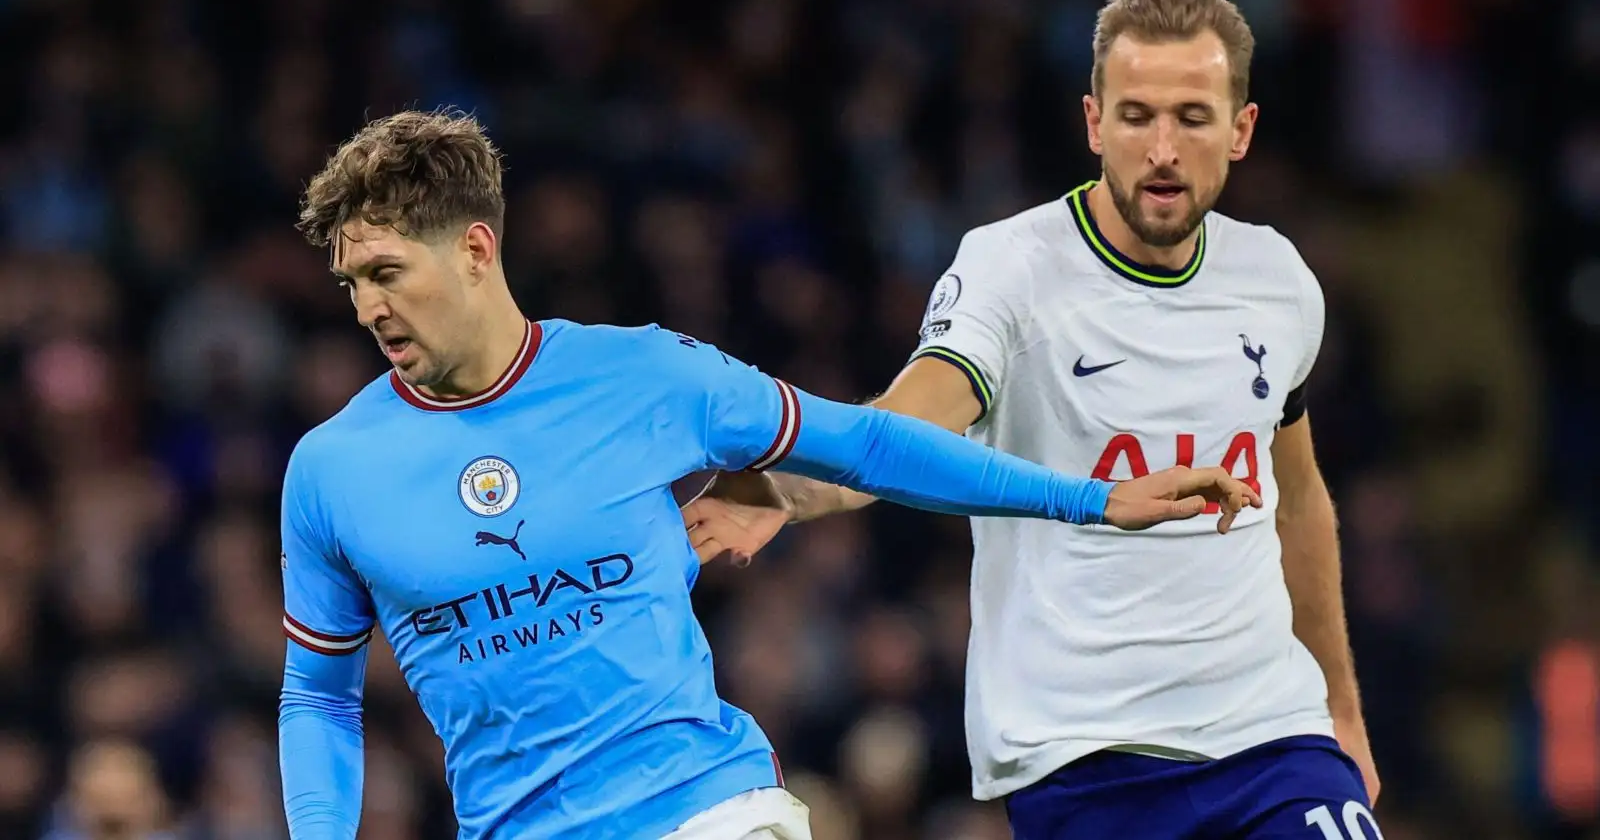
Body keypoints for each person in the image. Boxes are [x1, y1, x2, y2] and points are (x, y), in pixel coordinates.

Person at [276, 109, 1259, 840]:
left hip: (707, 811)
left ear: (476, 250)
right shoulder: (333, 470)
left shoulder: (648, 376)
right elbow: (320, 697)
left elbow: (867, 445)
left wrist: (1089, 498)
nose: (368, 309)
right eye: (352, 284)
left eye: (387, 273)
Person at [683, 0, 1384, 840]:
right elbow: (913, 424)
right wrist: (790, 492)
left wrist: (1338, 707)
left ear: (1241, 130)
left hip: (1273, 742)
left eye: (1193, 118)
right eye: (1136, 116)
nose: (1162, 148)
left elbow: (1299, 497)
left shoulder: (1279, 280)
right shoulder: (1011, 268)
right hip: (1086, 759)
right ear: (1094, 124)